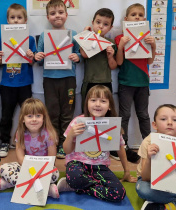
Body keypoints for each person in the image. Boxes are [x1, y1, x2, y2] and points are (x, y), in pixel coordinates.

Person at [58, 85, 137, 202]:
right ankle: (77, 183)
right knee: (75, 177)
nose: (98, 104)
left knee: (119, 194)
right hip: (77, 163)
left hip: (100, 166)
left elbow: (121, 149)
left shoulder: (113, 125)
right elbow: (67, 151)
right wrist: (70, 136)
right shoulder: (77, 122)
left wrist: (126, 172)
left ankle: (79, 187)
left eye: (103, 101)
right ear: (87, 103)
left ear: (109, 106)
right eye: (93, 100)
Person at [34, 0, 81, 159]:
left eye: (60, 12)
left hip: (68, 78)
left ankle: (64, 143)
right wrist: (38, 57)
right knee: (52, 113)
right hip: (49, 79)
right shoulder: (43, 36)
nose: (57, 16)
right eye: (53, 13)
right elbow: (39, 58)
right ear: (48, 17)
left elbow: (80, 54)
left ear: (66, 15)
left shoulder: (74, 34)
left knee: (67, 113)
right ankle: (53, 143)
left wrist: (77, 56)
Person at [114, 3, 156, 163]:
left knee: (143, 115)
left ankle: (150, 144)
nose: (137, 17)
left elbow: (150, 61)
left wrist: (153, 45)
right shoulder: (120, 38)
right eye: (133, 15)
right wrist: (121, 46)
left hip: (143, 83)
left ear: (144, 19)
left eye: (140, 15)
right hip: (126, 82)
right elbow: (118, 62)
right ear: (126, 19)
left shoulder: (147, 37)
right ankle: (122, 146)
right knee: (124, 115)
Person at [0, 98, 60, 198]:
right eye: (30, 116)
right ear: (23, 119)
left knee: (55, 174)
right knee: (3, 168)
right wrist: (28, 168)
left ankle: (11, 184)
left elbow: (52, 158)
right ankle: (46, 189)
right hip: (26, 167)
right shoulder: (20, 133)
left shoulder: (49, 134)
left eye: (38, 116)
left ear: (43, 118)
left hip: (43, 168)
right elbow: (20, 155)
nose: (34, 119)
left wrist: (40, 170)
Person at [0, 3, 36, 158]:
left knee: (28, 114)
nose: (16, 20)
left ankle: (28, 141)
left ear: (25, 20)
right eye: (12, 18)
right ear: (7, 20)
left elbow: (33, 62)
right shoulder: (2, 38)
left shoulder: (30, 39)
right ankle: (4, 142)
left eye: (19, 18)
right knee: (6, 115)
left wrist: (31, 56)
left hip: (24, 83)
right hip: (7, 84)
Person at [80, 8, 117, 109]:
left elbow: (113, 66)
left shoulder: (111, 43)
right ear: (93, 23)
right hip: (89, 81)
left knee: (105, 111)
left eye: (106, 24)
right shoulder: (87, 40)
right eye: (98, 22)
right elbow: (84, 54)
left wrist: (110, 56)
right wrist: (84, 36)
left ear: (110, 28)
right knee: (87, 111)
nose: (101, 26)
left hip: (105, 82)